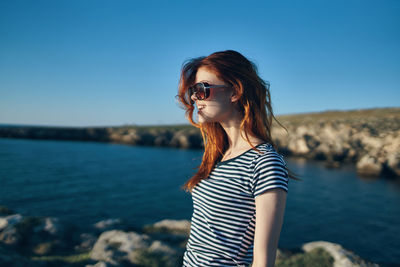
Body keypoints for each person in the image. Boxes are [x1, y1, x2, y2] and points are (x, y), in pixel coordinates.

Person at [175, 50, 300, 267]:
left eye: (202, 89)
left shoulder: (265, 163)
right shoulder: (220, 154)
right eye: (193, 91)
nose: (195, 97)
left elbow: (263, 260)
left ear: (234, 92)